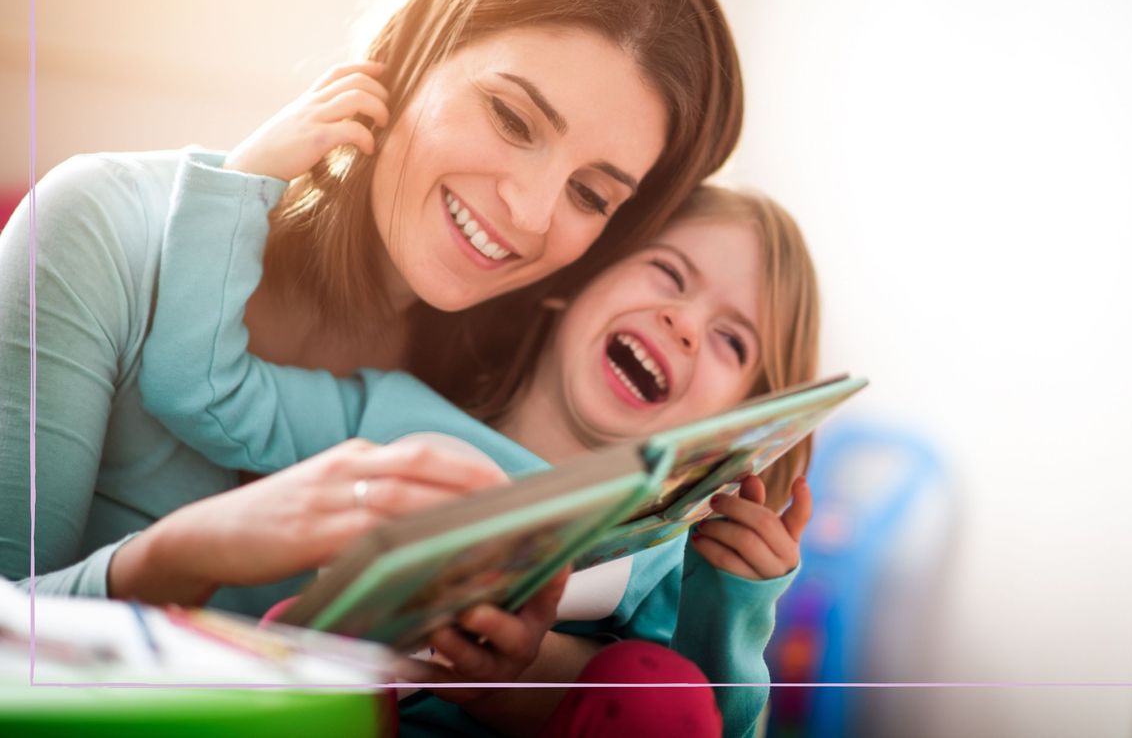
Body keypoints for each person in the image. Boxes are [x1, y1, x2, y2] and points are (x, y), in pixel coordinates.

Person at [0, 0, 742, 671]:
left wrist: (523, 666)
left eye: (590, 194)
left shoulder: (506, 375)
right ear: (414, 53)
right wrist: (185, 551)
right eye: (512, 117)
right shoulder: (95, 225)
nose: (530, 212)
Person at [138, 140, 821, 738]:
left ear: (741, 416)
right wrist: (239, 182)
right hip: (313, 698)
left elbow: (707, 723)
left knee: (659, 692)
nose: (685, 325)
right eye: (669, 273)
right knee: (313, 631)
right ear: (571, 281)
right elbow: (198, 387)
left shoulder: (667, 553)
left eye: (731, 339)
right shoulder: (389, 412)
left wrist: (734, 599)